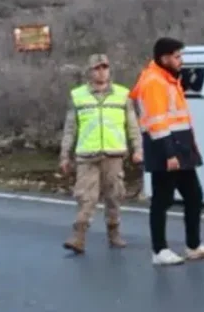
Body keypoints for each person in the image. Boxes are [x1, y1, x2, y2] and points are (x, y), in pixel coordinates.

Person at [130, 37, 204, 266]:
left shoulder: (169, 79)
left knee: (194, 196)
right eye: (177, 56)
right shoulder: (154, 82)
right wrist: (169, 153)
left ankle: (193, 245)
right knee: (162, 200)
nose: (181, 61)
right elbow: (157, 122)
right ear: (164, 58)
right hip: (165, 148)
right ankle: (159, 250)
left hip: (180, 146)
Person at [59, 53, 143, 254]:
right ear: (90, 72)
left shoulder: (122, 95)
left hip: (113, 154)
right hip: (87, 156)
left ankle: (114, 233)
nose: (101, 71)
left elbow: (132, 125)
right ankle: (78, 237)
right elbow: (70, 128)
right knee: (86, 197)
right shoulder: (78, 96)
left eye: (104, 67)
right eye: (97, 68)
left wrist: (138, 149)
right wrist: (64, 155)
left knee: (114, 196)